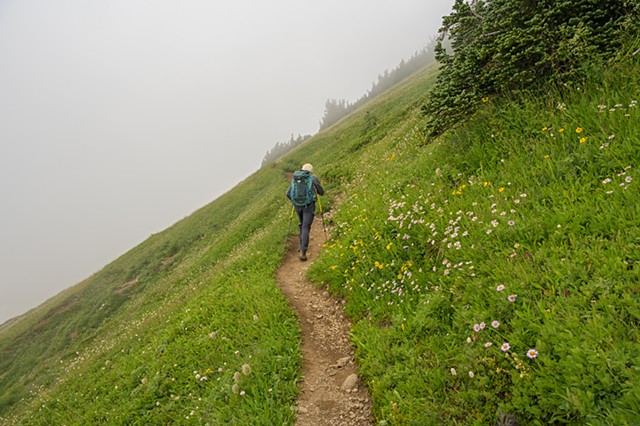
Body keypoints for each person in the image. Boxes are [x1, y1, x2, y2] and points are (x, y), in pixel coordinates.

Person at [286, 163, 325, 261]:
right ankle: (303, 251)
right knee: (306, 226)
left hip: (297, 206)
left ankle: (301, 245)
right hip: (308, 206)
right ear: (310, 170)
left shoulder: (295, 178)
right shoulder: (313, 177)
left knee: (302, 224)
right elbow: (321, 192)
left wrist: (296, 201)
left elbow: (288, 194)